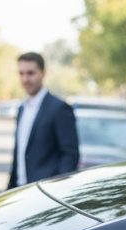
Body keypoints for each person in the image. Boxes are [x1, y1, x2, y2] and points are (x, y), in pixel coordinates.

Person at [7, 52, 79, 189]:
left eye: (30, 73)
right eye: (21, 73)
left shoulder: (59, 108)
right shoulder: (22, 108)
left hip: (46, 193)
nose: (25, 79)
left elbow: (70, 154)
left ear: (43, 73)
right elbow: (20, 153)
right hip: (18, 190)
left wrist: (57, 188)